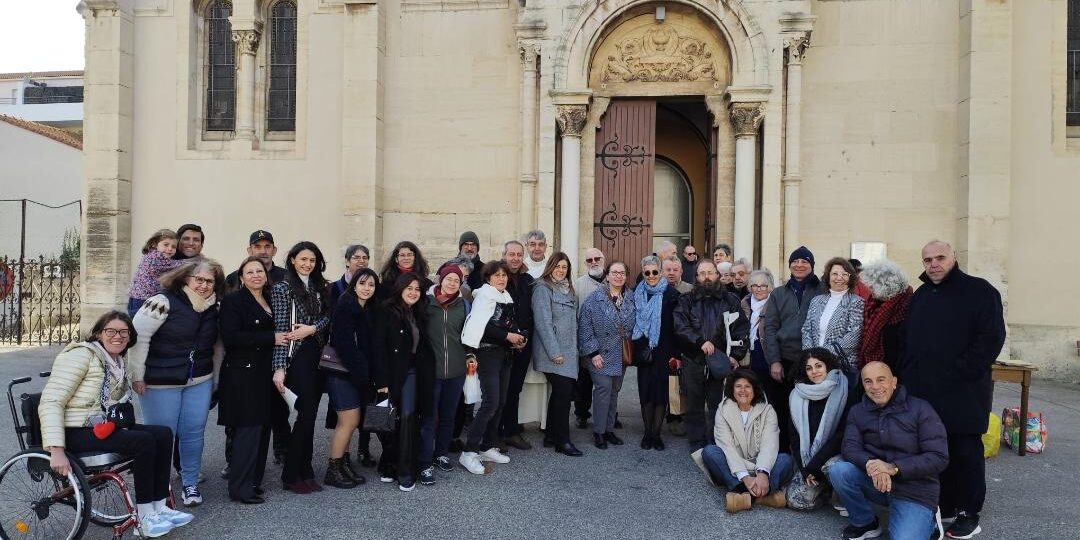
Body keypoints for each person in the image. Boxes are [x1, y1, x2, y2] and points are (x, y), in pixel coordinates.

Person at [40, 311, 193, 538]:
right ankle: (144, 518)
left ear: (130, 336)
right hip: (74, 430)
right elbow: (51, 401)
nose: (118, 336)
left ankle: (159, 507)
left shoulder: (117, 360)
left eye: (123, 332)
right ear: (98, 334)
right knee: (143, 441)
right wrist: (56, 449)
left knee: (162, 434)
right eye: (110, 331)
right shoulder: (81, 355)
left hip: (102, 426)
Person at [900, 241, 1005, 538]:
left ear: (953, 258)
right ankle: (944, 503)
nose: (934, 264)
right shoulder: (921, 295)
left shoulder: (979, 291)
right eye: (927, 259)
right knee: (934, 449)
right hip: (924, 392)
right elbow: (910, 341)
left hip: (963, 391)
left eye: (940, 257)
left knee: (965, 451)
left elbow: (991, 337)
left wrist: (962, 370)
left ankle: (968, 512)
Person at [129, 259, 225, 507]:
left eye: (210, 281)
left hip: (199, 380)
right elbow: (138, 338)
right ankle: (159, 489)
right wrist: (136, 375)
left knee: (194, 432)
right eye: (199, 279)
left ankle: (190, 483)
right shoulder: (161, 302)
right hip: (160, 381)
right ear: (185, 278)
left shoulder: (215, 307)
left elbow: (217, 346)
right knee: (163, 435)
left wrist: (216, 377)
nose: (204, 285)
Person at [828, 361, 948, 540]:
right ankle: (865, 523)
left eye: (881, 379)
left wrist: (893, 468)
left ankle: (930, 522)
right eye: (868, 381)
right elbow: (850, 447)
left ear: (894, 382)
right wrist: (873, 464)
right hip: (877, 482)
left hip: (914, 490)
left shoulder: (921, 408)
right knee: (838, 470)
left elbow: (938, 457)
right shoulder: (857, 411)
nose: (875, 387)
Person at [218, 257, 288, 503]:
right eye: (250, 272)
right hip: (242, 375)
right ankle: (240, 489)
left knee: (262, 429)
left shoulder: (270, 298)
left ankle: (253, 482)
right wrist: (271, 337)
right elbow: (231, 337)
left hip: (265, 373)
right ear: (241, 277)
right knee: (247, 431)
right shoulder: (233, 301)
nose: (256, 275)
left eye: (260, 271)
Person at [271, 241, 331, 494]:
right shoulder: (282, 288)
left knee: (311, 414)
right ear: (293, 260)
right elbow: (281, 329)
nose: (308, 264)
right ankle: (291, 474)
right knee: (305, 414)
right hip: (297, 357)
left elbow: (328, 317)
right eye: (303, 259)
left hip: (317, 354)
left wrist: (312, 328)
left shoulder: (321, 287)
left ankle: (306, 470)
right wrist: (279, 367)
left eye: (312, 260)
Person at [673, 259, 749, 451]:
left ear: (717, 275)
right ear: (696, 277)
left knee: (719, 403)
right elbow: (680, 326)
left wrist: (736, 356)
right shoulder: (686, 300)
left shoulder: (730, 300)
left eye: (710, 273)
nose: (706, 277)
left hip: (721, 360)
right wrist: (700, 342)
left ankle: (717, 441)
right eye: (702, 273)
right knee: (694, 403)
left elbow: (741, 329)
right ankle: (697, 442)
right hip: (693, 358)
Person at [371, 273, 435, 492]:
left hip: (414, 372)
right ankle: (389, 464)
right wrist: (381, 380)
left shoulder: (419, 312)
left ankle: (406, 472)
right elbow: (378, 347)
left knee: (408, 417)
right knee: (388, 420)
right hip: (391, 373)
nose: (413, 293)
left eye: (417, 289)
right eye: (409, 288)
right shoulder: (385, 311)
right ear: (399, 289)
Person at [459, 261, 525, 474]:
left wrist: (518, 338)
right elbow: (483, 328)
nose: (501, 278)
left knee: (501, 402)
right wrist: (508, 336)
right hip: (488, 354)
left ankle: (487, 445)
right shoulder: (485, 296)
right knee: (490, 402)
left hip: (504, 354)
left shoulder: (505, 296)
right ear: (488, 278)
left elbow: (508, 323)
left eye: (504, 275)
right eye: (497, 275)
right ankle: (469, 451)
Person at [698, 369, 793, 513]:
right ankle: (760, 494)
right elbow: (727, 447)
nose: (743, 391)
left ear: (755, 389)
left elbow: (770, 444)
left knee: (785, 459)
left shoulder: (767, 411)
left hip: (761, 465)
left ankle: (743, 496)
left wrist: (762, 473)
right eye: (738, 386)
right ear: (732, 389)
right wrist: (745, 477)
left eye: (748, 386)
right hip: (734, 467)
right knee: (710, 452)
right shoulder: (723, 410)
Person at [763, 246, 827, 451]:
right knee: (781, 409)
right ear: (790, 265)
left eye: (804, 261)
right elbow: (770, 328)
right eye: (795, 261)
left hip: (812, 360)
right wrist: (774, 361)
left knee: (808, 411)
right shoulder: (778, 293)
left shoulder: (823, 290)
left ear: (812, 265)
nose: (799, 265)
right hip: (784, 358)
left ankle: (806, 453)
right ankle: (782, 453)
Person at [325, 268, 380, 489]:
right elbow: (344, 345)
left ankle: (343, 464)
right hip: (342, 373)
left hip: (356, 374)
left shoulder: (369, 309)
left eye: (371, 285)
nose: (367, 288)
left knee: (348, 422)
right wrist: (362, 373)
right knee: (349, 421)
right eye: (362, 283)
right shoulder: (345, 306)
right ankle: (333, 470)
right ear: (354, 285)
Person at [786, 347, 856, 511]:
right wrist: (805, 470)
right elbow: (794, 438)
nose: (814, 371)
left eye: (818, 366)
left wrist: (816, 464)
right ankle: (824, 491)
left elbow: (842, 434)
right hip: (809, 461)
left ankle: (841, 493)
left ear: (828, 366)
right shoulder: (797, 395)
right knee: (796, 500)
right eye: (809, 368)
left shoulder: (844, 389)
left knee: (833, 468)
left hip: (835, 456)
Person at [420, 265, 471, 481]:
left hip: (456, 371)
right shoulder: (426, 302)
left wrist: (470, 358)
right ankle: (424, 462)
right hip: (432, 372)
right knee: (429, 418)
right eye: (449, 279)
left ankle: (441, 453)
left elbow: (469, 335)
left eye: (456, 280)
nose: (452, 283)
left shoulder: (464, 305)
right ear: (440, 280)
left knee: (448, 416)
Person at [578, 260, 635, 450]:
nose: (618, 276)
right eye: (614, 272)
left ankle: (609, 430)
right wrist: (593, 353)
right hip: (599, 354)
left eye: (622, 273)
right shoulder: (594, 299)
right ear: (607, 276)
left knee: (614, 392)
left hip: (621, 354)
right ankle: (599, 432)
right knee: (603, 390)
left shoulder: (631, 298)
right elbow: (585, 327)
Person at [531, 252, 582, 457]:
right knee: (563, 394)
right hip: (553, 353)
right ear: (550, 267)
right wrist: (554, 353)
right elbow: (543, 323)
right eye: (557, 266)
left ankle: (551, 435)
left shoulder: (569, 290)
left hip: (569, 351)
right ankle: (563, 441)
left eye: (564, 267)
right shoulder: (542, 288)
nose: (561, 270)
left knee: (560, 394)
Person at [631, 255, 681, 450]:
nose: (651, 275)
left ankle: (657, 434)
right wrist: (638, 347)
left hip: (664, 351)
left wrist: (675, 354)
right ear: (643, 273)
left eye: (655, 272)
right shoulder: (636, 292)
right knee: (645, 393)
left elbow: (677, 328)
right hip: (643, 349)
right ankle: (647, 432)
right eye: (647, 272)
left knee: (661, 394)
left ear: (660, 272)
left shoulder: (672, 294)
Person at [801, 257, 865, 380]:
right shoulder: (816, 301)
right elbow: (806, 330)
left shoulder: (857, 302)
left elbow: (853, 336)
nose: (839, 278)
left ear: (851, 278)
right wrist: (811, 356)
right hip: (814, 367)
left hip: (840, 366)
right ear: (828, 277)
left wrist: (823, 357)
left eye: (844, 274)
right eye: (835, 274)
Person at [499, 240, 535, 450]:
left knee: (514, 389)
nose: (515, 258)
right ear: (504, 255)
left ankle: (511, 431)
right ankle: (495, 434)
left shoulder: (528, 280)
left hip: (523, 345)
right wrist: (510, 337)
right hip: (501, 344)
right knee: (498, 391)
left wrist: (524, 337)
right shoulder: (497, 277)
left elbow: (530, 313)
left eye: (519, 255)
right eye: (511, 254)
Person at [857, 258, 912, 372]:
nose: (870, 290)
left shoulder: (905, 305)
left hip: (896, 367)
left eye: (873, 287)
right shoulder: (875, 302)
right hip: (874, 366)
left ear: (885, 286)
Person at [573, 247, 606, 429]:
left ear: (603, 259)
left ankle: (609, 414)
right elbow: (575, 313)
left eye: (597, 258)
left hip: (609, 343)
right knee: (584, 382)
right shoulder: (578, 284)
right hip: (586, 342)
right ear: (585, 263)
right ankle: (582, 414)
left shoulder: (614, 279)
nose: (594, 262)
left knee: (608, 383)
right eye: (589, 260)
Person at [127, 228, 182, 316]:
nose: (170, 249)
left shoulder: (150, 255)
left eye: (173, 247)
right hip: (143, 299)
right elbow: (178, 265)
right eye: (166, 245)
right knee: (143, 321)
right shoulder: (156, 258)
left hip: (136, 296)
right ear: (154, 244)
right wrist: (196, 260)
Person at [741, 270, 778, 397]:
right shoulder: (744, 303)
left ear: (770, 287)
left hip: (766, 356)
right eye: (755, 285)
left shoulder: (775, 304)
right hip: (747, 357)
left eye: (763, 285)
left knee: (767, 393)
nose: (758, 289)